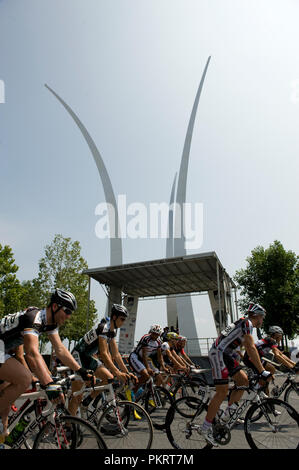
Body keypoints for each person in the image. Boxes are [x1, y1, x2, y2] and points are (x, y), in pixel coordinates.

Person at [0, 289, 92, 438]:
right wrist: (48, 383)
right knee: (24, 378)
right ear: (55, 307)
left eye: (71, 313)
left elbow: (60, 350)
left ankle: (3, 435)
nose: (69, 316)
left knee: (6, 398)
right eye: (67, 311)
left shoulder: (50, 324)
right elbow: (32, 353)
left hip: (4, 350)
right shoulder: (35, 318)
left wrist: (80, 370)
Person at [200, 303, 272, 446]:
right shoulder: (247, 323)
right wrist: (261, 370)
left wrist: (249, 367)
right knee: (222, 392)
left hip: (226, 354)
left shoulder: (243, 323)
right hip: (219, 354)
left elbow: (241, 350)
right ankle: (205, 428)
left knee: (243, 381)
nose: (262, 321)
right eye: (262, 318)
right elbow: (251, 348)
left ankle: (228, 414)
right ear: (256, 315)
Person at [68, 304, 136, 416]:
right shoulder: (104, 328)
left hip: (87, 357)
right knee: (76, 396)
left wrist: (127, 372)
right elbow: (104, 354)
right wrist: (118, 372)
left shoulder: (112, 331)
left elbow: (116, 354)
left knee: (109, 378)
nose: (123, 322)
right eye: (122, 319)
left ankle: (87, 401)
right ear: (114, 317)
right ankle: (69, 426)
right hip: (78, 356)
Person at [243, 325, 298, 391]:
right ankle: (257, 389)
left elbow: (281, 354)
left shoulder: (270, 340)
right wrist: (290, 366)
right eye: (281, 335)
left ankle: (263, 390)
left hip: (255, 358)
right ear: (277, 335)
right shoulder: (271, 340)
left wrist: (294, 364)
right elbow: (277, 356)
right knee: (267, 374)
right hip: (250, 358)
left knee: (271, 369)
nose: (281, 337)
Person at [128, 324, 168, 395]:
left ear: (159, 334)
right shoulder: (146, 338)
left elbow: (159, 356)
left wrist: (163, 367)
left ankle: (148, 394)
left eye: (157, 334)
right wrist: (148, 368)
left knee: (158, 376)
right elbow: (144, 355)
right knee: (146, 375)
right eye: (153, 334)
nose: (155, 336)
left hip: (146, 358)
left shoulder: (159, 342)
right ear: (151, 332)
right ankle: (132, 390)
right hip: (136, 357)